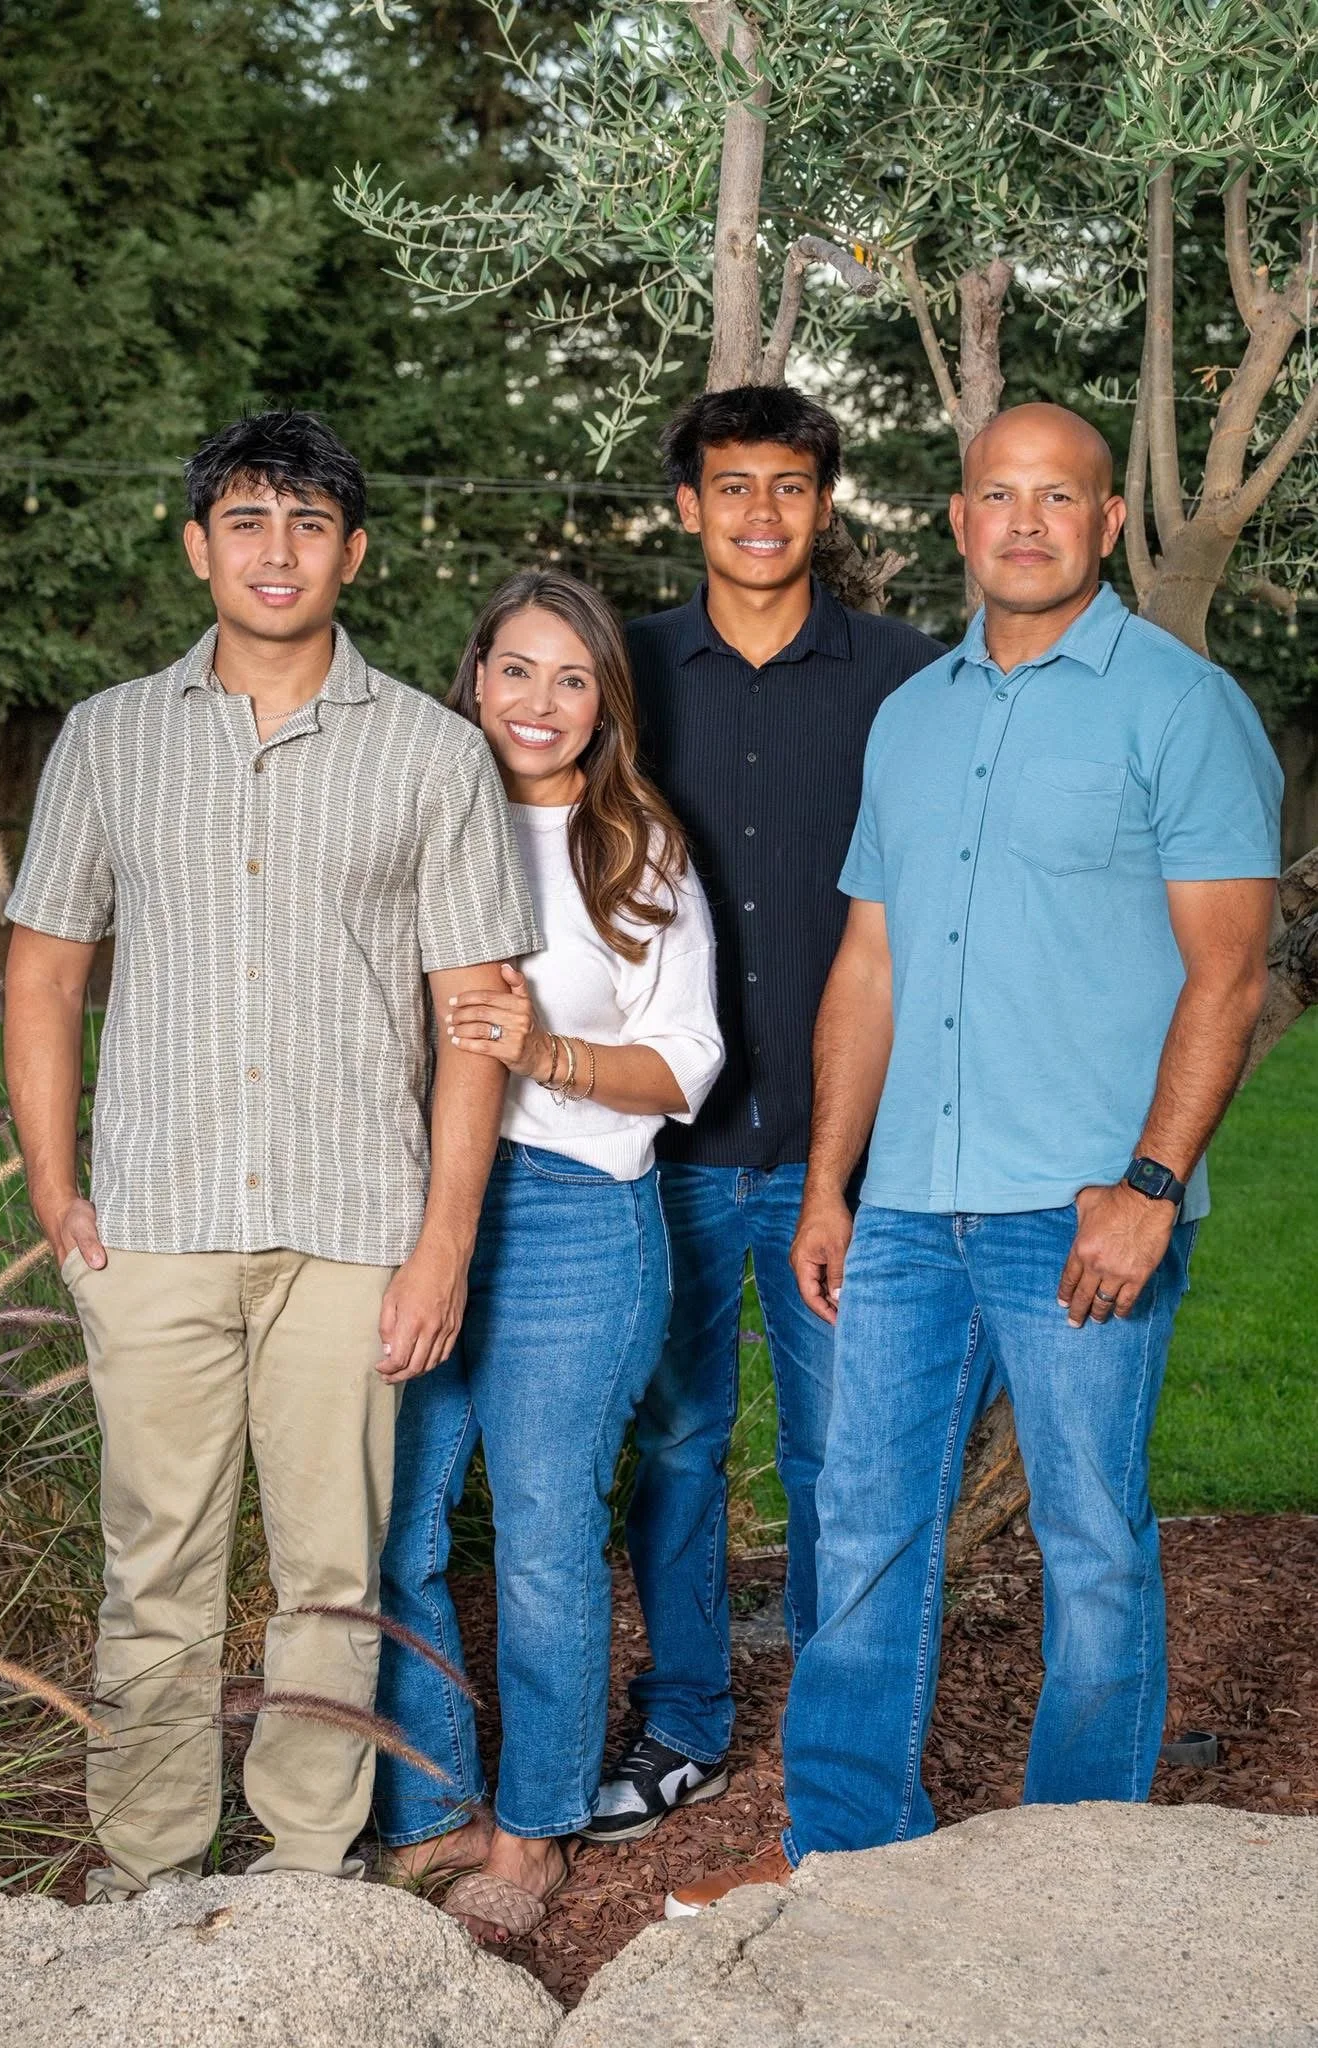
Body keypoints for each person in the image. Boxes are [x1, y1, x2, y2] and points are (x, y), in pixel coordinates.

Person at [668, 400, 1282, 1912]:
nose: (1023, 522)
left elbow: (1231, 972)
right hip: (902, 1212)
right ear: (957, 521)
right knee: (862, 1526)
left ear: (1105, 524)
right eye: (996, 496)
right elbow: (867, 965)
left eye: (1056, 498)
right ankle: (847, 1853)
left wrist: (1146, 1187)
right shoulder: (916, 714)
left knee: (1090, 1539)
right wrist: (827, 1183)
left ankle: (1072, 1870)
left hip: (1076, 1211)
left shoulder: (1177, 705)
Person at [3, 411, 539, 1901]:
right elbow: (45, 975)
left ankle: (306, 1871)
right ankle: (151, 1864)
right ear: (198, 547)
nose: (277, 550)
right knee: (153, 1575)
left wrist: (439, 1241)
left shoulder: (434, 758)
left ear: (354, 553)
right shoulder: (109, 738)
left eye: (308, 524)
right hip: (156, 1226)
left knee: (330, 1577)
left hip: (351, 1228)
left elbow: (475, 1022)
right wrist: (57, 1190)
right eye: (247, 521)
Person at [583, 387, 940, 1843]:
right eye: (730, 488)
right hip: (650, 1154)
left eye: (786, 487)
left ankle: (835, 1739)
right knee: (673, 1448)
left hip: (836, 1157)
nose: (758, 515)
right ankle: (684, 1724)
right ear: (688, 508)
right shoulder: (624, 674)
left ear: (823, 503)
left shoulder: (910, 682)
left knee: (839, 1459)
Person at [373, 570, 723, 1941]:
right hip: (408, 1215)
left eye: (570, 678)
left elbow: (690, 1058)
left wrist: (549, 1053)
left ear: (602, 706)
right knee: (396, 1531)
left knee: (542, 1540)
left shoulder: (635, 846)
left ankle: (534, 1825)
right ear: (472, 681)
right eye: (515, 670)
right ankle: (426, 1805)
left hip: (576, 1218)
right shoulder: (408, 821)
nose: (538, 701)